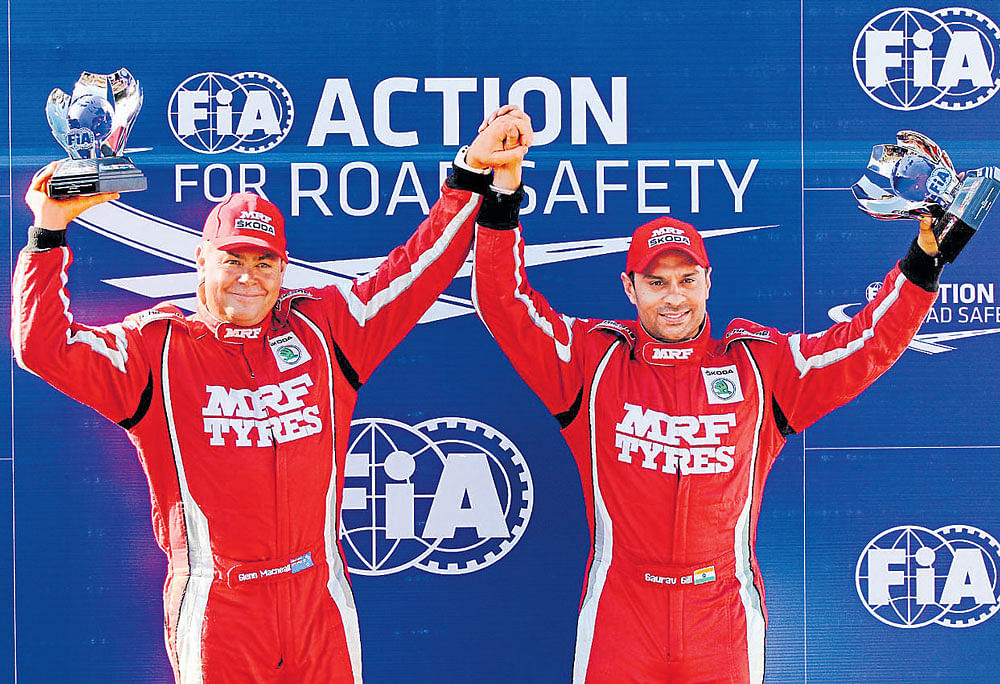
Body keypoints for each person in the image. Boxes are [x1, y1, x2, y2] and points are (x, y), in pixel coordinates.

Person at [12, 112, 531, 684]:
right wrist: (49, 230)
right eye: (232, 259)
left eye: (265, 262)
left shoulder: (323, 331)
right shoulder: (154, 351)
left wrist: (469, 174)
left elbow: (415, 274)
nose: (248, 277)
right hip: (219, 605)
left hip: (319, 594)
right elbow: (42, 346)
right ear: (201, 262)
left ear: (283, 269)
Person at [471, 107, 942, 684]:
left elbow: (865, 344)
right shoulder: (591, 363)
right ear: (630, 287)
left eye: (687, 280)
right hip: (622, 612)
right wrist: (501, 193)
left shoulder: (757, 365)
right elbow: (503, 303)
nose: (674, 297)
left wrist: (921, 263)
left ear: (708, 281)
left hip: (722, 614)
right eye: (657, 282)